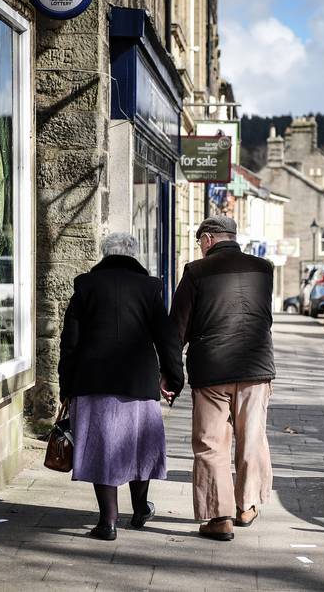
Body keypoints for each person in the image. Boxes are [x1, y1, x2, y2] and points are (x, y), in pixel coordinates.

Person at [58, 232, 184, 541]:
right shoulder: (149, 287)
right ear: (134, 255)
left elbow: (69, 342)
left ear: (104, 254)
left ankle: (108, 522)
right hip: (138, 382)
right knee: (139, 447)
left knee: (103, 448)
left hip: (93, 381)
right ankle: (140, 508)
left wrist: (66, 385)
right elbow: (167, 338)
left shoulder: (86, 285)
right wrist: (173, 377)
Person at [170, 215, 275, 541]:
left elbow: (178, 327)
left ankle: (219, 518)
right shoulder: (263, 269)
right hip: (255, 368)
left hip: (211, 371)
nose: (200, 247)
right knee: (252, 437)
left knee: (211, 443)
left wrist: (171, 375)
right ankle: (247, 505)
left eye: (200, 241)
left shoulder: (196, 272)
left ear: (208, 239)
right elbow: (262, 316)